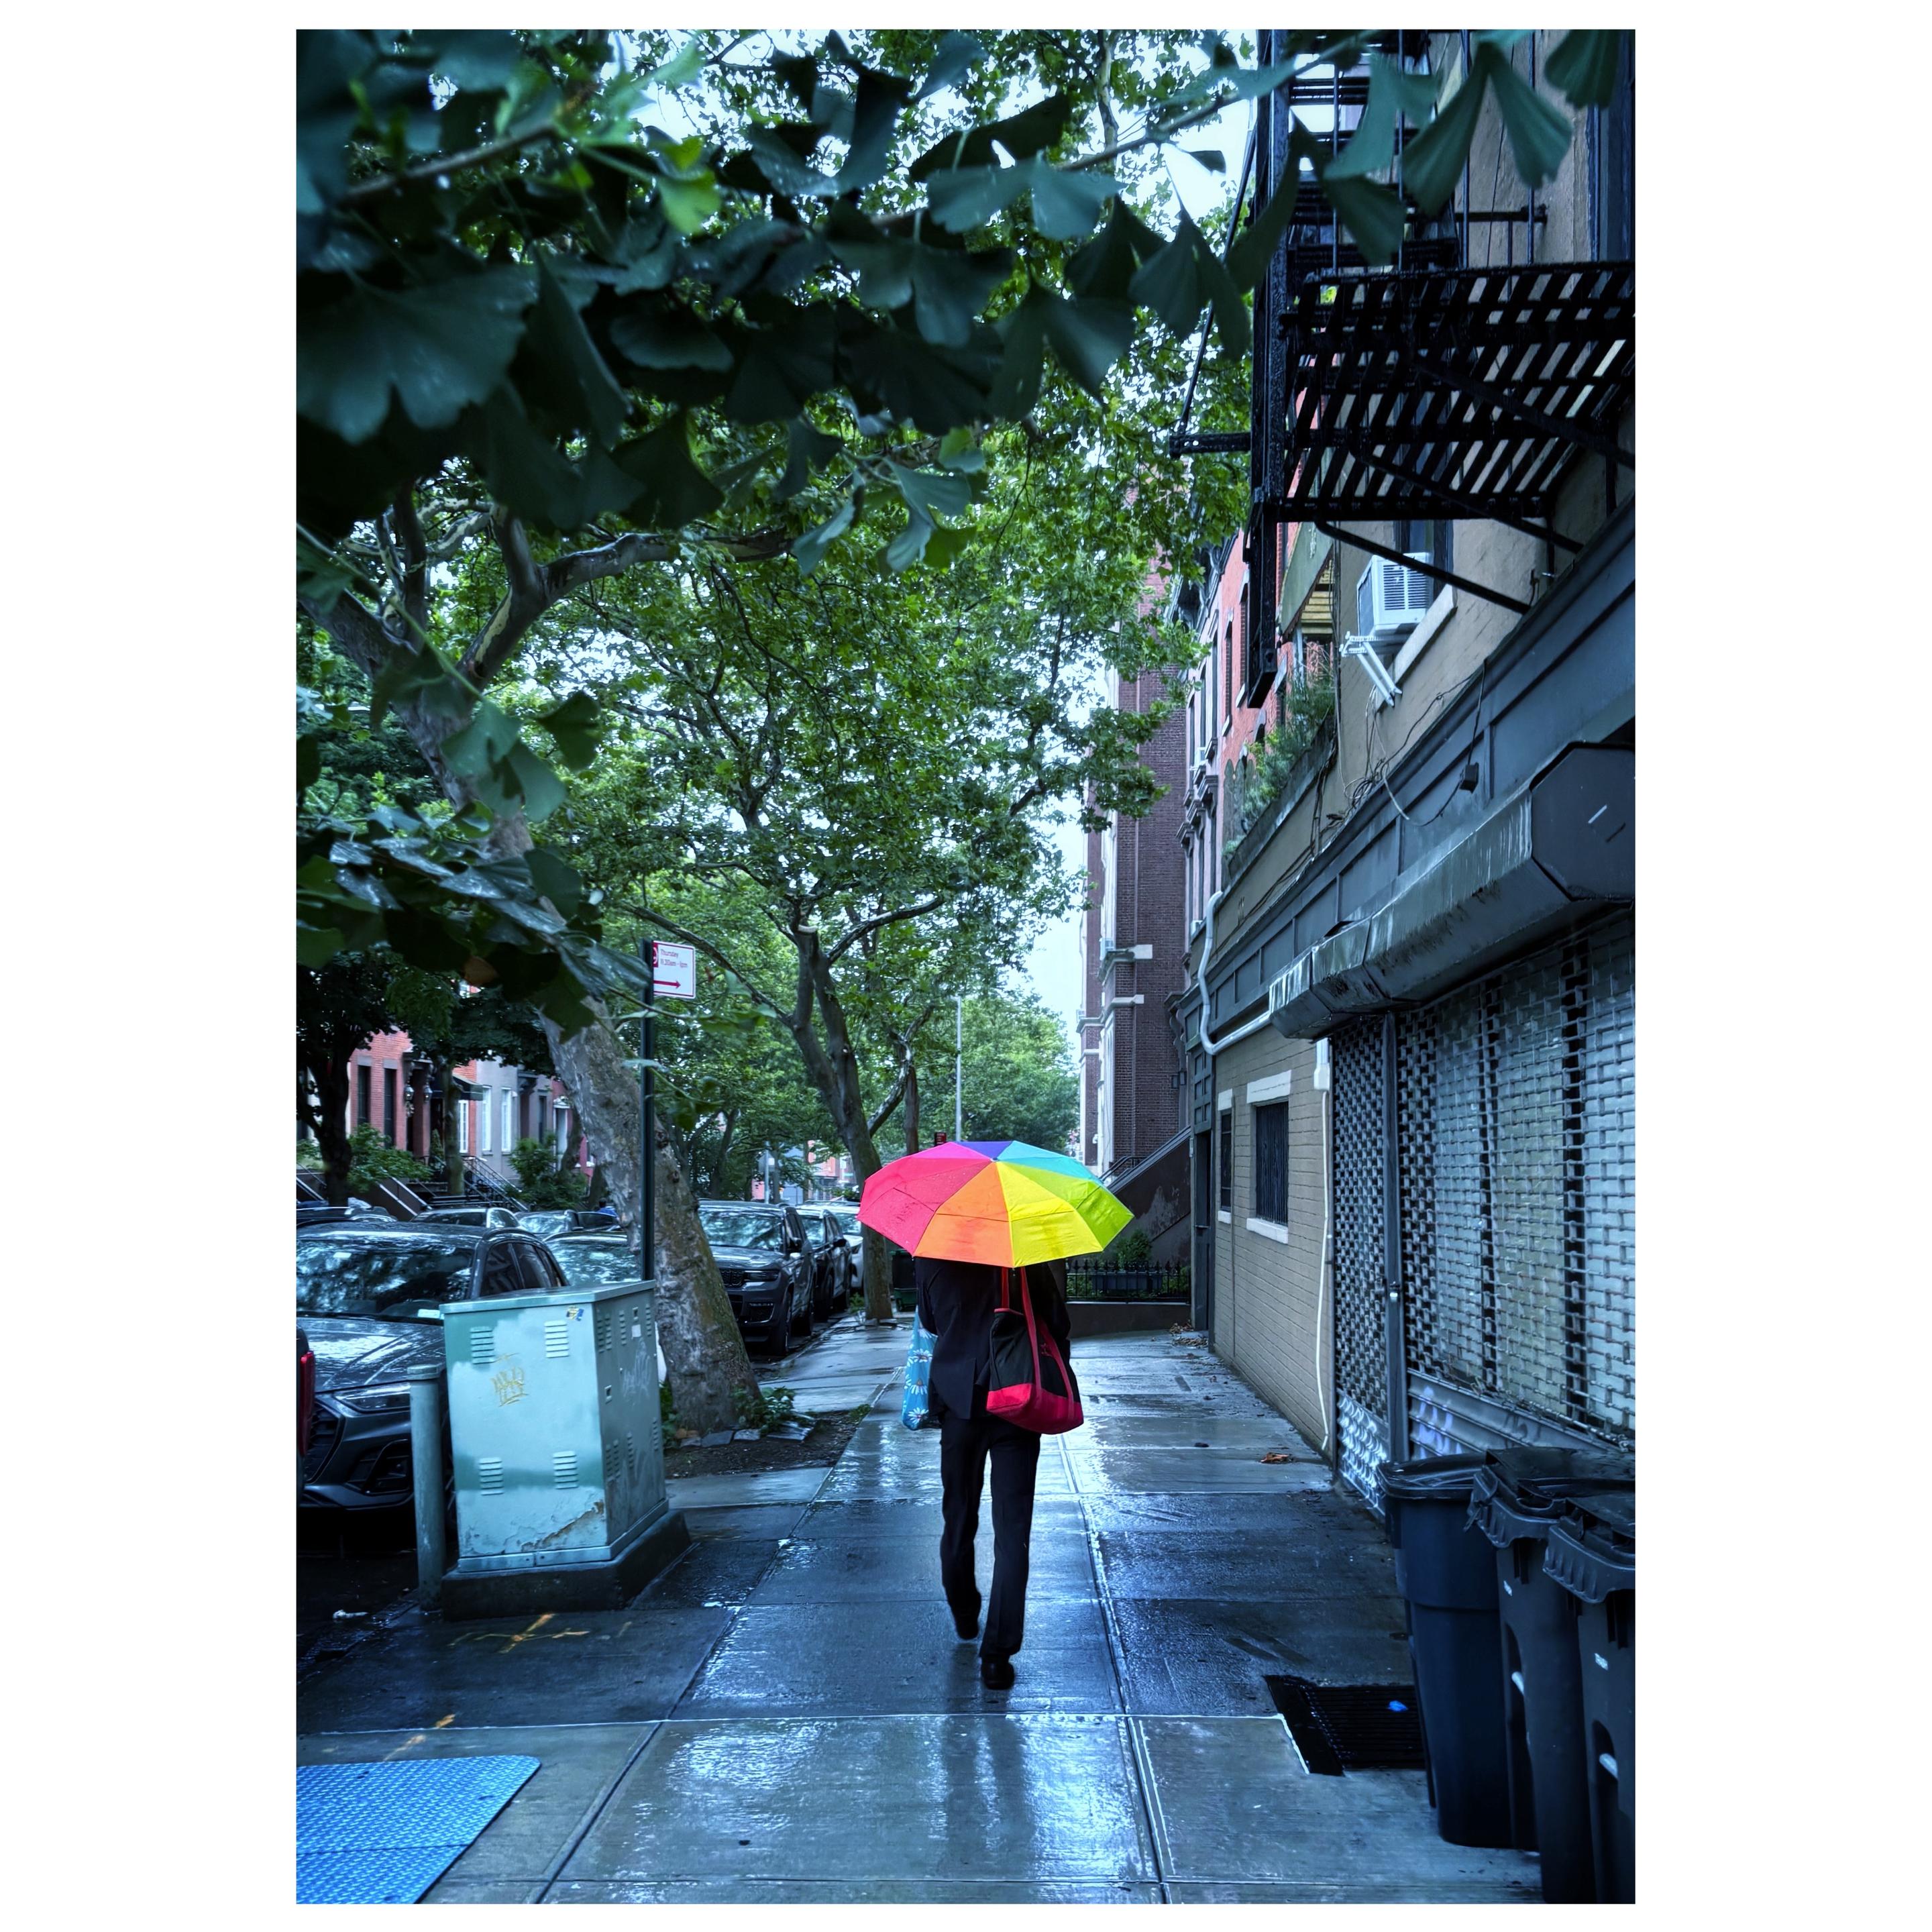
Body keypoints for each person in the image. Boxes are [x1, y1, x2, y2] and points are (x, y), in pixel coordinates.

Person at [914, 1252, 1073, 1690]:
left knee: (958, 1518)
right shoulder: (1022, 1254)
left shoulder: (931, 1255)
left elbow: (931, 1322)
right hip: (1017, 1401)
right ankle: (997, 1656)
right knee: (1012, 1532)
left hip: (958, 1404)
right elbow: (1057, 1323)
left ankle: (965, 1615)